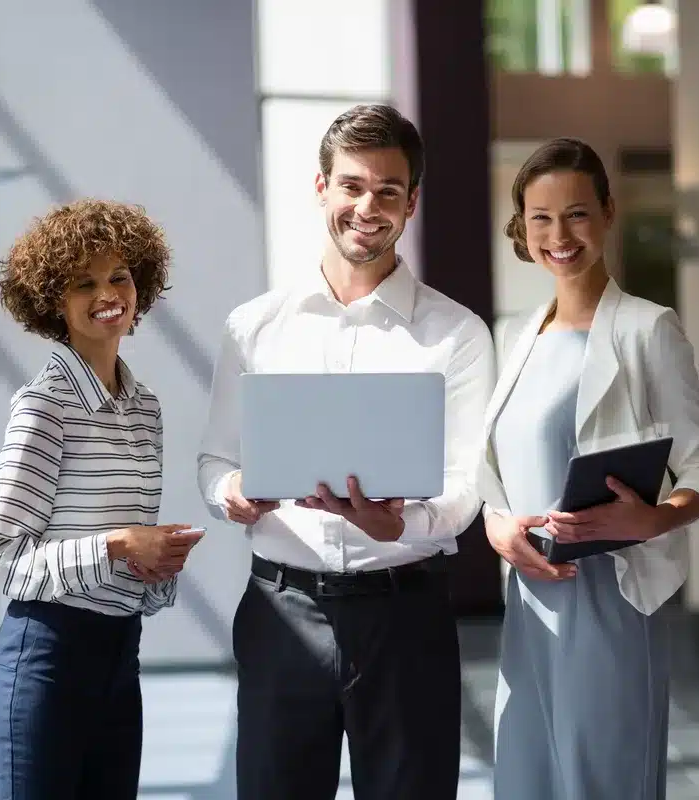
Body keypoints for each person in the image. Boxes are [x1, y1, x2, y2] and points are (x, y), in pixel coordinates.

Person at [197, 104, 495, 799]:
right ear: (321, 188)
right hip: (281, 609)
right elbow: (213, 461)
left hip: (405, 615)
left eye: (389, 190)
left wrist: (404, 525)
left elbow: (464, 484)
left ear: (412, 201)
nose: (368, 206)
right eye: (353, 185)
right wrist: (231, 492)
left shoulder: (456, 334)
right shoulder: (255, 328)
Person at [478, 137, 699, 800]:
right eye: (541, 218)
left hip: (611, 599)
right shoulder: (514, 335)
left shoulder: (648, 330)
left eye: (577, 214)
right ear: (523, 228)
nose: (560, 235)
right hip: (530, 601)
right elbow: (493, 469)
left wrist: (655, 518)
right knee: (526, 781)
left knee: (603, 781)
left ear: (608, 213)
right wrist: (496, 527)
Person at [0, 199, 206, 799]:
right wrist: (120, 545)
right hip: (43, 665)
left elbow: (126, 561)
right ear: (54, 301)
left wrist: (155, 563)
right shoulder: (44, 405)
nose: (107, 293)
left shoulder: (144, 406)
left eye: (118, 276)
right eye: (83, 283)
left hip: (118, 660)